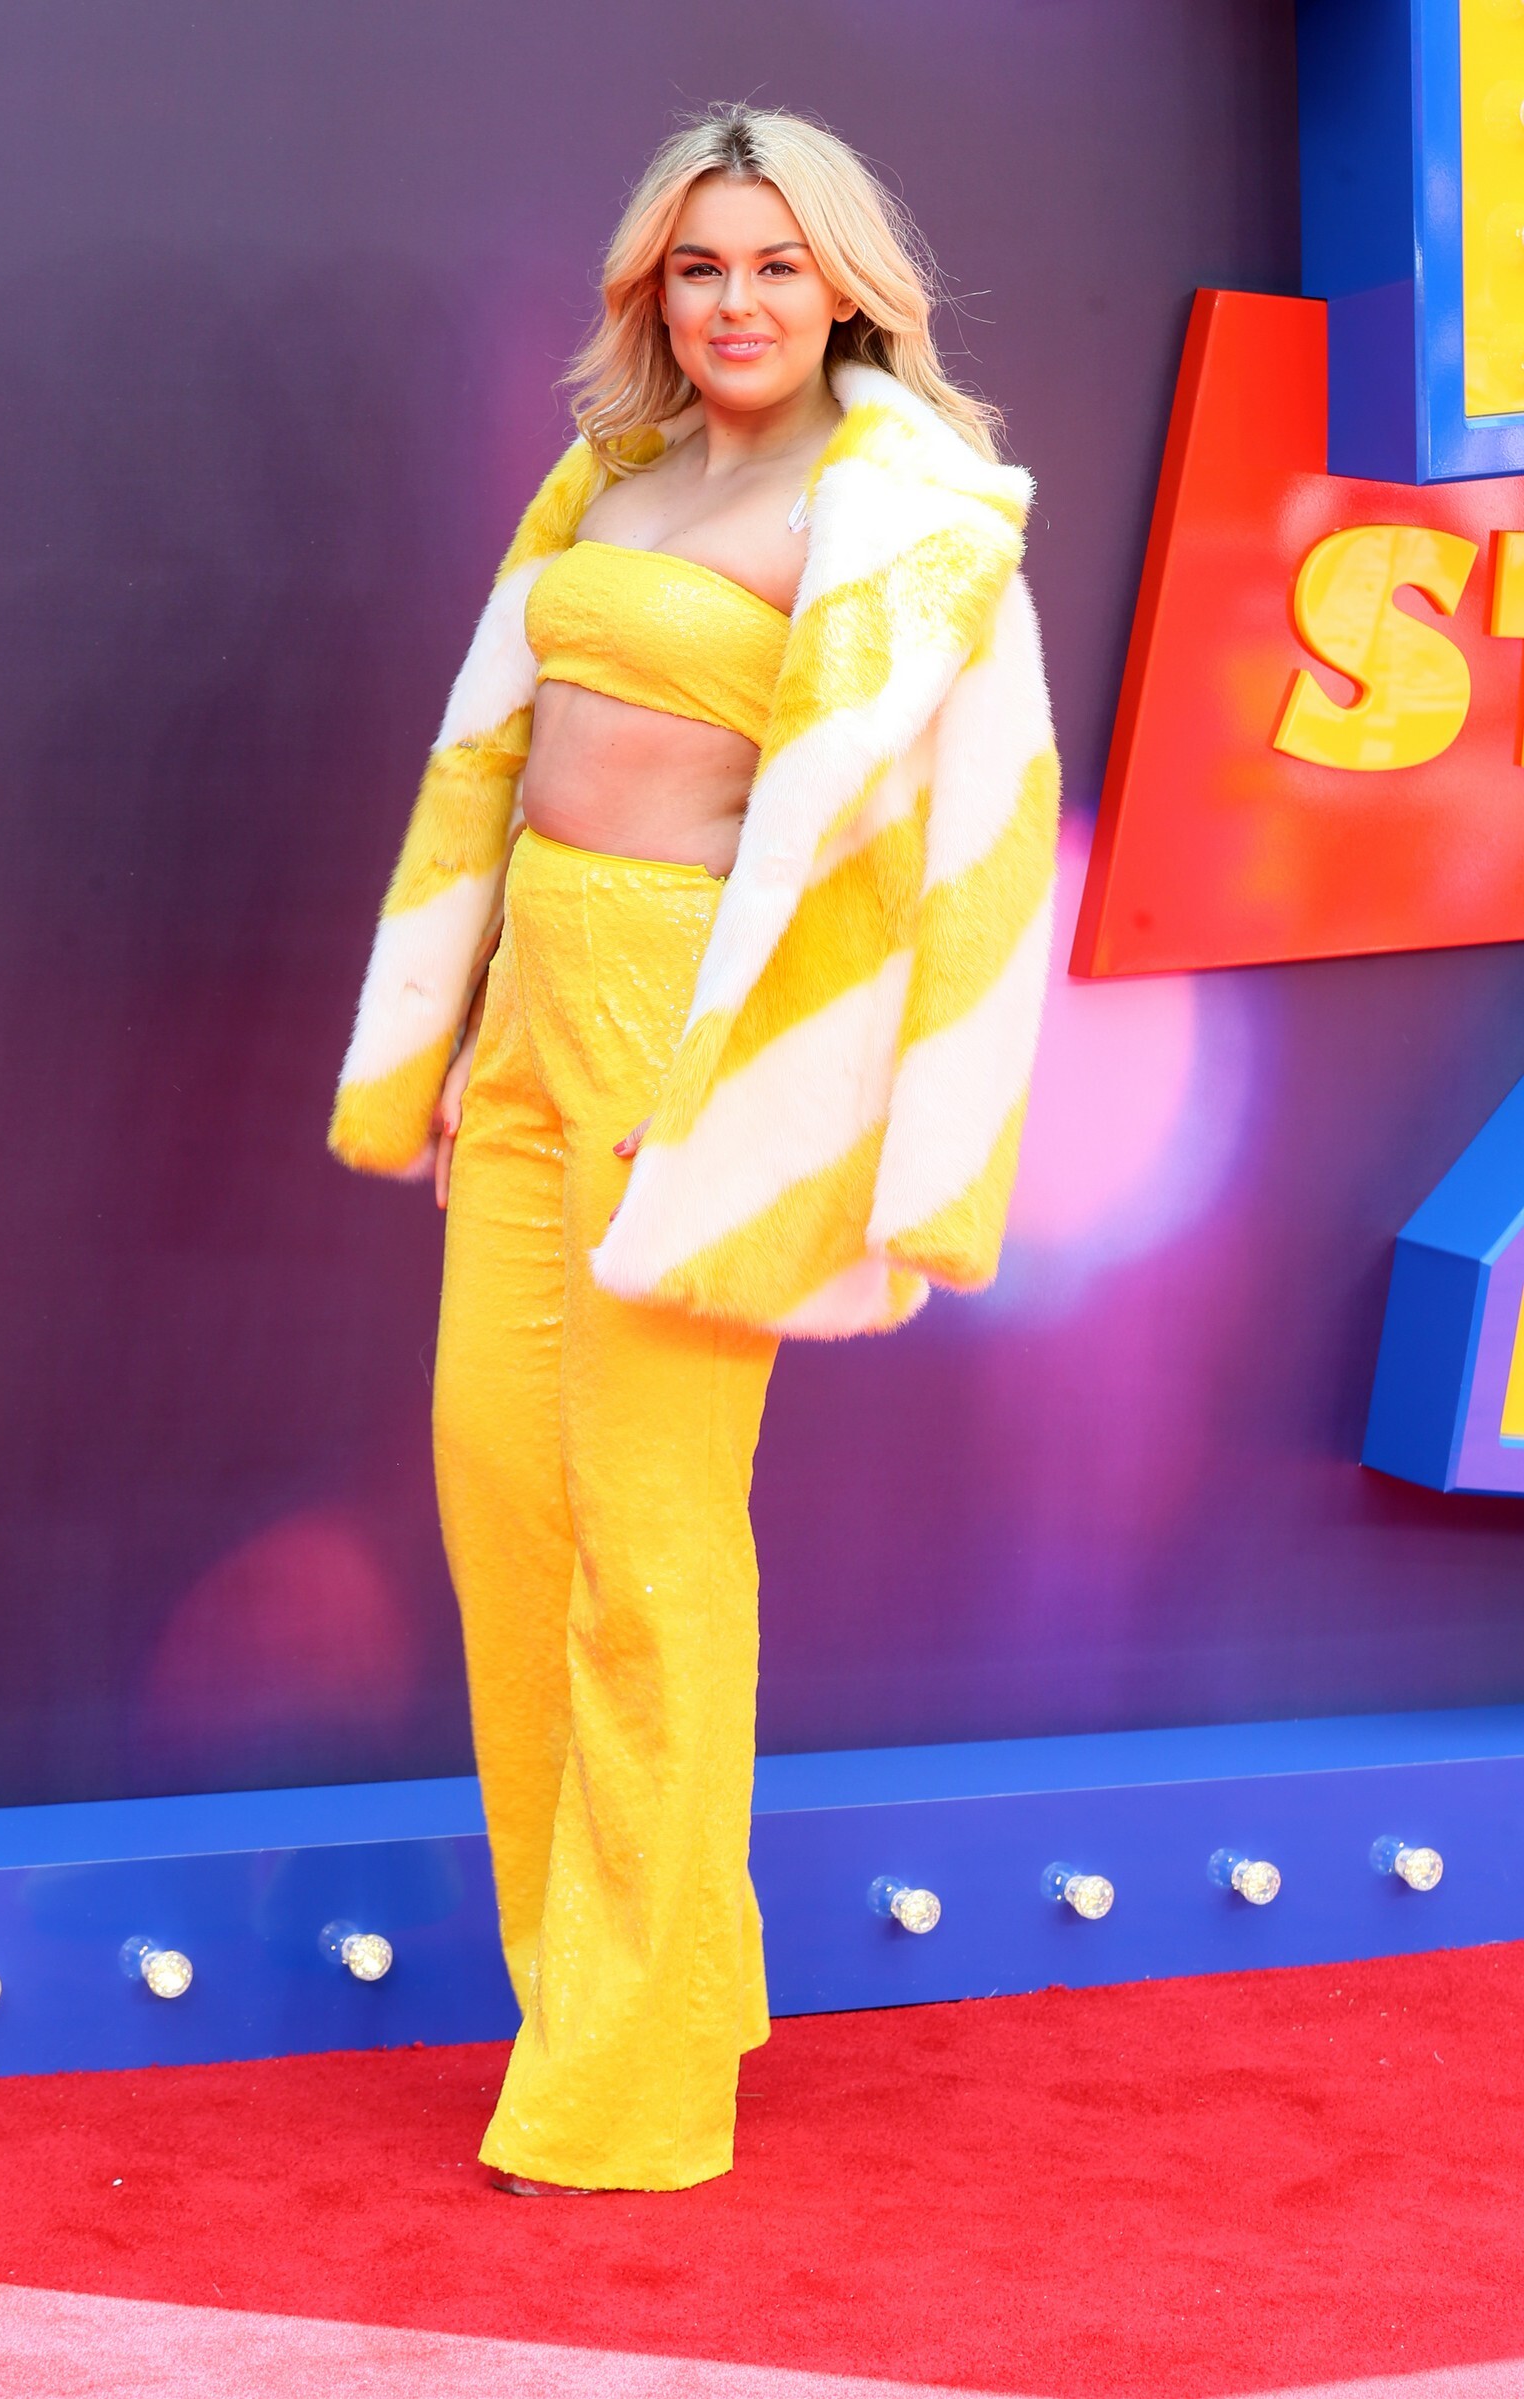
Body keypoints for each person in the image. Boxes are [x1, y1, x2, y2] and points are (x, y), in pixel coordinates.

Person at [329, 104, 1059, 2194]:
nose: (736, 301)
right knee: (508, 1512)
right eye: (698, 266)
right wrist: (460, 1029)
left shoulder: (902, 506)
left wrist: (752, 1095)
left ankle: (629, 2086)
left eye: (773, 264)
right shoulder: (616, 473)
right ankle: (644, 1977)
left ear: (845, 285)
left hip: (691, 1040)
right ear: (653, 289)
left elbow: (959, 856)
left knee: (650, 1554)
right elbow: (496, 768)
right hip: (533, 1022)